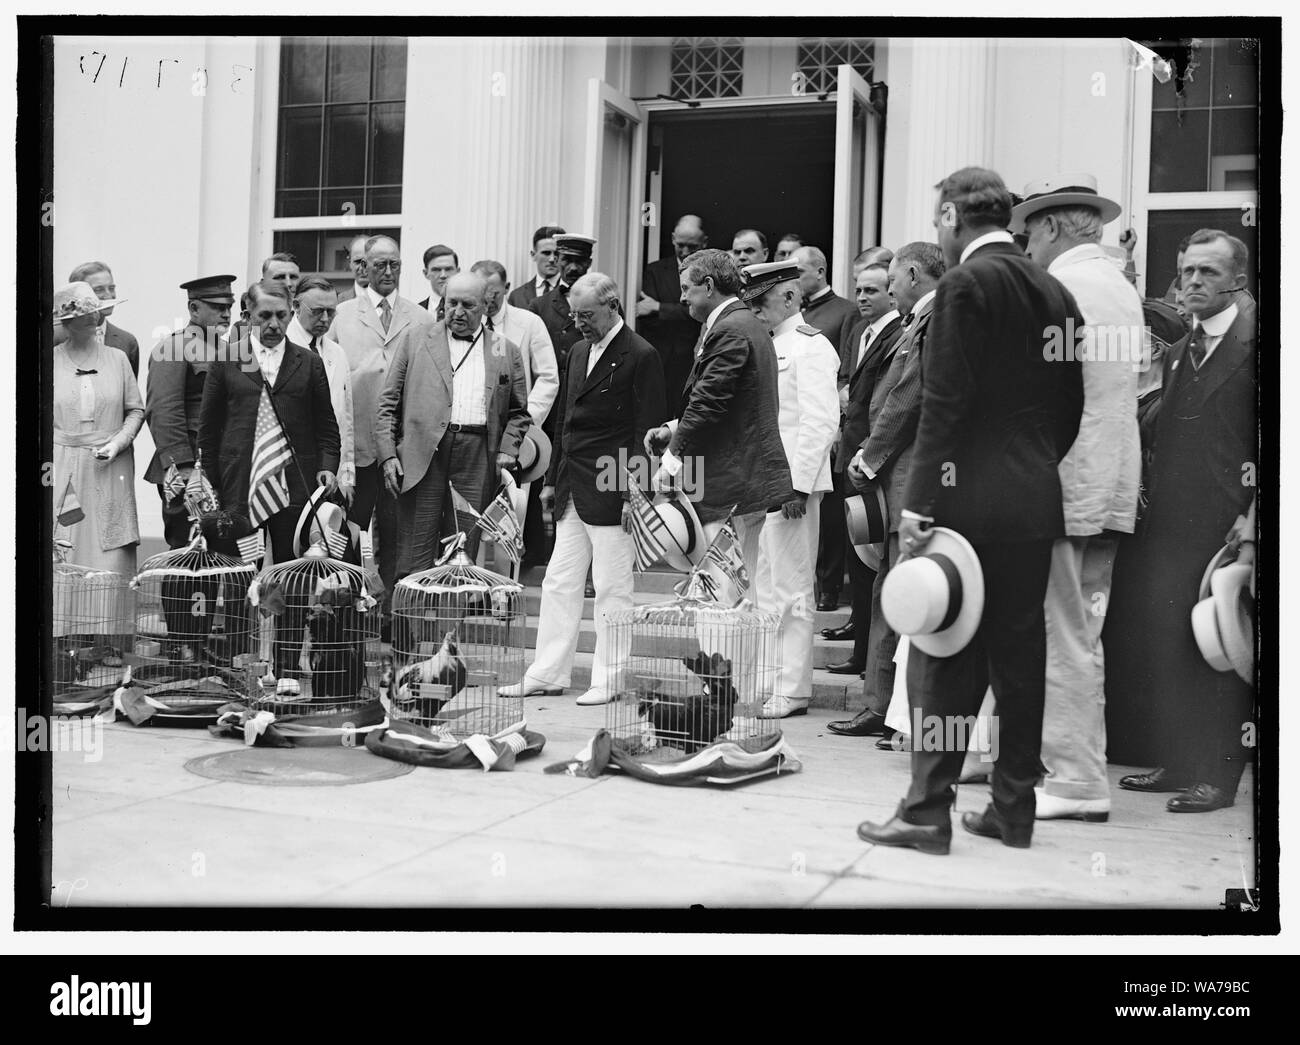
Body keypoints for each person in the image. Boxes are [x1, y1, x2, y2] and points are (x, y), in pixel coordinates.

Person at [857, 166, 1084, 855]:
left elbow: (943, 401)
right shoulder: (1058, 291)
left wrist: (919, 500)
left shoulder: (964, 286)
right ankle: (1014, 809)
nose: (937, 231)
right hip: (1033, 498)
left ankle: (927, 810)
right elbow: (1070, 409)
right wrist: (1033, 466)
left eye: (937, 220)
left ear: (955, 217)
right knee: (1020, 656)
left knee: (940, 656)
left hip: (965, 503)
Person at [1011, 173, 1142, 824]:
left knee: (1059, 632)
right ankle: (1053, 764)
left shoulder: (1060, 287)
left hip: (1060, 487)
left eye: (1030, 228)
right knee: (1079, 630)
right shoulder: (1119, 287)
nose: (1024, 240)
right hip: (1109, 485)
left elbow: (1033, 393)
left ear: (1056, 225)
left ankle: (1075, 778)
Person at [1118, 229, 1256, 814]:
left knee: (1222, 648)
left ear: (1239, 282)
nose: (1194, 282)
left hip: (1229, 526)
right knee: (1172, 642)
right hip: (1171, 525)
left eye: (1209, 273)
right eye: (1188, 273)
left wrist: (1252, 524)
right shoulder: (1176, 353)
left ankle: (1219, 777)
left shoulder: (1257, 346)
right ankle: (1179, 761)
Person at [503, 272, 666, 705]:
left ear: (613, 306)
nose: (579, 323)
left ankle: (609, 679)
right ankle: (548, 671)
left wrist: (635, 491)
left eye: (588, 315)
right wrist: (552, 479)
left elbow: (646, 430)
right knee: (559, 580)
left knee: (613, 586)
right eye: (575, 315)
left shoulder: (641, 353)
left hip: (614, 483)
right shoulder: (577, 351)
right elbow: (564, 423)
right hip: (574, 482)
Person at [830, 242, 944, 738]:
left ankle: (889, 710)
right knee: (887, 591)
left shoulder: (932, 319)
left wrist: (870, 456)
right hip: (901, 478)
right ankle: (885, 707)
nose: (890, 290)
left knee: (895, 593)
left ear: (913, 274)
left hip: (908, 478)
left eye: (892, 281)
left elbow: (907, 397)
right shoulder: (922, 319)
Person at [645, 248, 792, 582]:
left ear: (709, 285)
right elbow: (726, 401)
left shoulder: (730, 328)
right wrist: (673, 428)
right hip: (739, 479)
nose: (682, 298)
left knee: (720, 594)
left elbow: (708, 403)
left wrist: (670, 462)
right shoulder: (742, 323)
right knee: (738, 592)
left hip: (728, 483)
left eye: (686, 289)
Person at [376, 272, 531, 574]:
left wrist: (509, 449)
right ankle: (410, 620)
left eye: (468, 305)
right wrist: (388, 456)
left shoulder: (505, 349)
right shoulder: (416, 339)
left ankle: (450, 621)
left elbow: (519, 412)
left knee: (462, 551)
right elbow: (387, 403)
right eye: (452, 303)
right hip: (423, 455)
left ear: (486, 306)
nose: (457, 312)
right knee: (414, 552)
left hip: (476, 455)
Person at [742, 261, 840, 718]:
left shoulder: (811, 346)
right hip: (760, 484)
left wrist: (797, 486)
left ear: (788, 298)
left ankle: (793, 687)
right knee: (764, 587)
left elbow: (820, 422)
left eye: (761, 303)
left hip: (790, 486)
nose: (756, 313)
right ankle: (769, 678)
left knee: (793, 587)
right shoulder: (765, 343)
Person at [329, 236, 436, 627]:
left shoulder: (421, 318)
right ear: (364, 268)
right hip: (355, 447)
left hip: (400, 449)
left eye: (394, 265)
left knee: (395, 533)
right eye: (379, 266)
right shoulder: (341, 316)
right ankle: (349, 614)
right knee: (350, 533)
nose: (387, 273)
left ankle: (391, 616)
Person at [198, 280, 339, 564]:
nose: (274, 324)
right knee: (242, 571)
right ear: (247, 317)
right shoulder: (226, 360)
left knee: (293, 572)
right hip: (240, 489)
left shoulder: (309, 363)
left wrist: (327, 467)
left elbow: (326, 427)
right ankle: (243, 609)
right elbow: (209, 430)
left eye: (281, 315)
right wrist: (211, 481)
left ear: (290, 314)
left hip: (296, 486)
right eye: (264, 316)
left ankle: (287, 610)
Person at [823, 261, 901, 670]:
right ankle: (859, 636)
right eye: (858, 289)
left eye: (872, 290)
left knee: (870, 556)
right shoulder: (859, 331)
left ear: (891, 291)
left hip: (871, 460)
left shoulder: (897, 332)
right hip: (849, 451)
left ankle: (865, 654)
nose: (862, 297)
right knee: (857, 552)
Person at [52, 282, 144, 582]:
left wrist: (118, 443)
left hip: (111, 465)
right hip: (63, 464)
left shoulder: (117, 359)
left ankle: (107, 623)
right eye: (86, 314)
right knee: (64, 538)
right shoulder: (49, 362)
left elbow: (136, 409)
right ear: (67, 322)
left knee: (111, 543)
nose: (94, 320)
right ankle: (61, 623)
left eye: (96, 313)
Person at [474, 258, 562, 564]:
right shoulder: (463, 324)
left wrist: (526, 423)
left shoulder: (528, 322)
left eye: (494, 293)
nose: (487, 300)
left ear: (507, 289)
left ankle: (503, 583)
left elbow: (549, 376)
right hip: (472, 431)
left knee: (511, 509)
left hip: (515, 435)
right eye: (481, 293)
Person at [144, 274, 235, 548]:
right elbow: (163, 411)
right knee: (188, 553)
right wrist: (181, 466)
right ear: (194, 309)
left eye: (229, 307)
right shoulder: (172, 348)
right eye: (218, 308)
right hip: (188, 468)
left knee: (221, 554)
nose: (226, 314)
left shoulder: (230, 350)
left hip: (223, 467)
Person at [287, 276, 356, 507]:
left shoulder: (337, 353)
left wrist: (347, 478)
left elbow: (345, 421)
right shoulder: (281, 348)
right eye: (317, 311)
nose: (325, 319)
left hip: (330, 474)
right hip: (289, 473)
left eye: (331, 312)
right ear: (296, 306)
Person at [637, 214, 706, 419]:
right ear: (673, 239)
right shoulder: (655, 271)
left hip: (690, 361)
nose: (685, 252)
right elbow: (645, 316)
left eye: (692, 247)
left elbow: (702, 314)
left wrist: (659, 307)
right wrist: (681, 311)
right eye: (681, 245)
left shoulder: (708, 272)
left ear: (704, 243)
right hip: (660, 360)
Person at [54, 262, 140, 376]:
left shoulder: (127, 341)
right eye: (99, 290)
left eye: (111, 288)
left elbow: (128, 390)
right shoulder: (54, 337)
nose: (108, 295)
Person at [529, 233, 596, 376]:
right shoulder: (539, 306)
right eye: (567, 260)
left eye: (580, 261)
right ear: (557, 260)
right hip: (554, 391)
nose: (573, 268)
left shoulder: (604, 302)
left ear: (589, 263)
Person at [508, 225, 567, 309]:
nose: (552, 259)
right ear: (533, 255)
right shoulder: (517, 296)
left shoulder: (572, 292)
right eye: (546, 253)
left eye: (557, 253)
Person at [418, 244, 459, 317]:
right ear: (426, 273)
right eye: (436, 270)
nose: (443, 275)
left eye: (448, 269)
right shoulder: (416, 312)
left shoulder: (471, 310)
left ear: (457, 272)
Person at [338, 234, 370, 303]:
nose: (362, 268)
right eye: (358, 261)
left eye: (367, 262)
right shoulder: (338, 302)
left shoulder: (390, 300)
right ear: (350, 263)